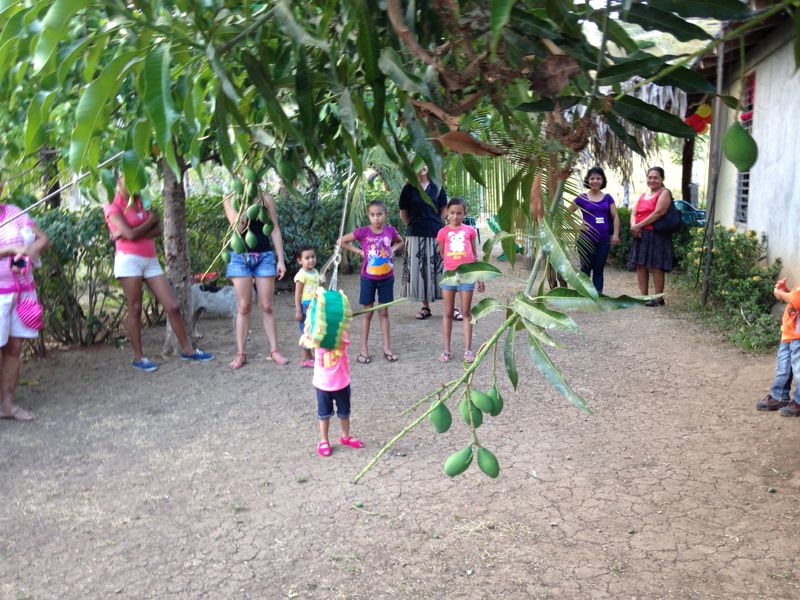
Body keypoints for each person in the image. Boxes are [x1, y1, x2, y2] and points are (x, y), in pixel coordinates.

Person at [104, 177, 213, 371]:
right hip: (128, 260)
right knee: (135, 308)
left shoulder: (141, 202)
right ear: (119, 182)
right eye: (127, 180)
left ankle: (188, 350)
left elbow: (155, 230)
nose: (132, 184)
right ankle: (139, 357)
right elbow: (132, 234)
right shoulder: (113, 208)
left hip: (150, 259)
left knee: (172, 306)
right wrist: (146, 223)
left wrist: (132, 231)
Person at [222, 183, 288, 369]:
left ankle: (275, 350)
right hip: (239, 258)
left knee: (266, 306)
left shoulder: (266, 198)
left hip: (265, 257)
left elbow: (274, 229)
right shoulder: (229, 198)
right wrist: (245, 204)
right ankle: (240, 353)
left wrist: (280, 260)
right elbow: (239, 227)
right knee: (243, 306)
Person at [0, 181, 50, 421]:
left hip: (20, 291)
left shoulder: (15, 212)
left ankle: (7, 406)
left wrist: (30, 249)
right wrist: (10, 250)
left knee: (14, 348)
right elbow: (10, 249)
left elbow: (43, 239)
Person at [338, 200, 404, 363]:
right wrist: (359, 251)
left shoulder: (390, 230)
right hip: (368, 278)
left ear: (385, 215)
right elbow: (341, 241)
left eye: (379, 214)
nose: (376, 218)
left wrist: (393, 250)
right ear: (369, 215)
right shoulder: (363, 232)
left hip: (387, 278)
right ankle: (363, 350)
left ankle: (387, 348)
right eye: (373, 214)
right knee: (367, 313)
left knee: (384, 312)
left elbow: (401, 241)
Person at [436, 197, 484, 363]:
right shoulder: (442, 233)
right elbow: (443, 254)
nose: (455, 216)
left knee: (466, 313)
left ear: (465, 213)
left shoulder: (470, 230)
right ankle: (447, 350)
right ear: (447, 214)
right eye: (452, 213)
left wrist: (479, 276)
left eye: (459, 213)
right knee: (448, 313)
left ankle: (468, 350)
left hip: (468, 275)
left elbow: (474, 255)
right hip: (449, 275)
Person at [399, 164, 449, 320]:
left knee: (441, 270)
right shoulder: (408, 189)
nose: (423, 166)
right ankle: (425, 307)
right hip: (415, 234)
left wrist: (435, 223)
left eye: (426, 162)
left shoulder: (438, 187)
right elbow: (403, 214)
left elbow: (444, 210)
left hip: (436, 234)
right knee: (421, 272)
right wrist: (414, 225)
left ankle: (450, 307)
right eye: (418, 163)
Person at [568, 166, 620, 294]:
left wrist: (615, 235)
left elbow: (615, 216)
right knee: (585, 268)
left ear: (603, 181)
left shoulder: (608, 198)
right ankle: (583, 293)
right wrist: (577, 226)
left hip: (603, 240)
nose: (595, 181)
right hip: (585, 240)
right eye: (592, 178)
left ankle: (597, 295)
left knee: (599, 268)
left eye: (598, 178)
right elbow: (566, 214)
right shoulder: (582, 198)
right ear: (588, 181)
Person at [627, 167, 673, 307]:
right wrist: (634, 226)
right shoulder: (643, 195)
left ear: (662, 179)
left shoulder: (664, 193)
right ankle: (644, 296)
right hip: (641, 234)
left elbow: (658, 213)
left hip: (656, 234)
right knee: (640, 265)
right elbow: (634, 213)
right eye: (650, 177)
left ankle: (658, 298)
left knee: (656, 266)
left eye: (656, 177)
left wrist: (638, 225)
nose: (652, 180)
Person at [313, 334, 363, 457]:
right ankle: (324, 440)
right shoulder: (317, 337)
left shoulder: (341, 335)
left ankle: (345, 436)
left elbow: (343, 340)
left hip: (341, 382)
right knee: (324, 414)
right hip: (323, 385)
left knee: (344, 412)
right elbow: (309, 338)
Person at [756, 277, 800, 415]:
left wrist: (781, 294)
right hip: (788, 335)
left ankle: (799, 402)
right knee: (783, 369)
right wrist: (785, 291)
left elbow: (797, 300)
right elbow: (794, 297)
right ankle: (779, 397)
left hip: (798, 338)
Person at [293, 245, 319, 368]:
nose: (311, 260)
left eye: (313, 257)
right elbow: (297, 294)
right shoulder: (301, 275)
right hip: (305, 307)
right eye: (307, 258)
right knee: (306, 333)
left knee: (312, 332)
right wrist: (298, 310)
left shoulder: (315, 272)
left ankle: (310, 356)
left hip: (315, 306)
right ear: (300, 261)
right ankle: (304, 359)